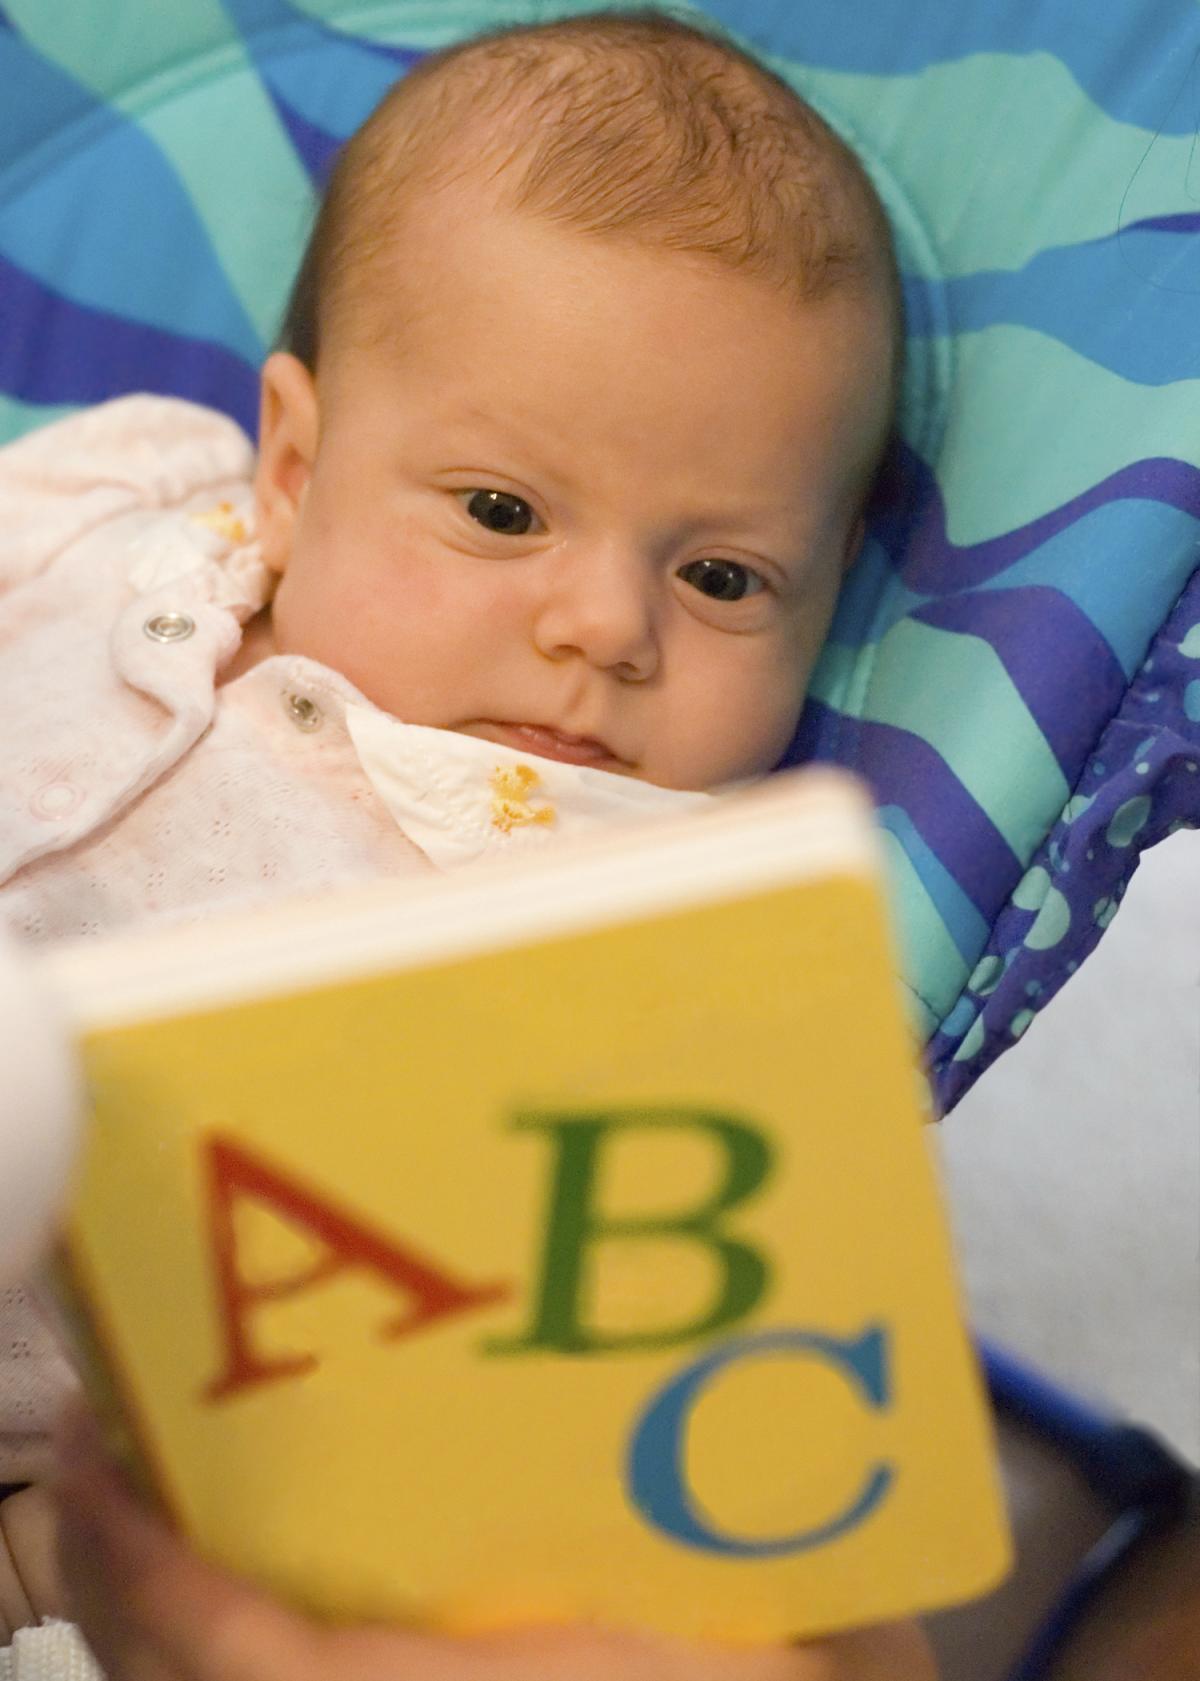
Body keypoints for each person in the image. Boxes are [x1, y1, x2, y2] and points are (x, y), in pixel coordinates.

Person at [0, 9, 925, 1675]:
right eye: (503, 510)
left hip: (79, 1439)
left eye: (721, 575)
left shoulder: (608, 909)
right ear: (292, 466)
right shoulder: (121, 498)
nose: (603, 625)